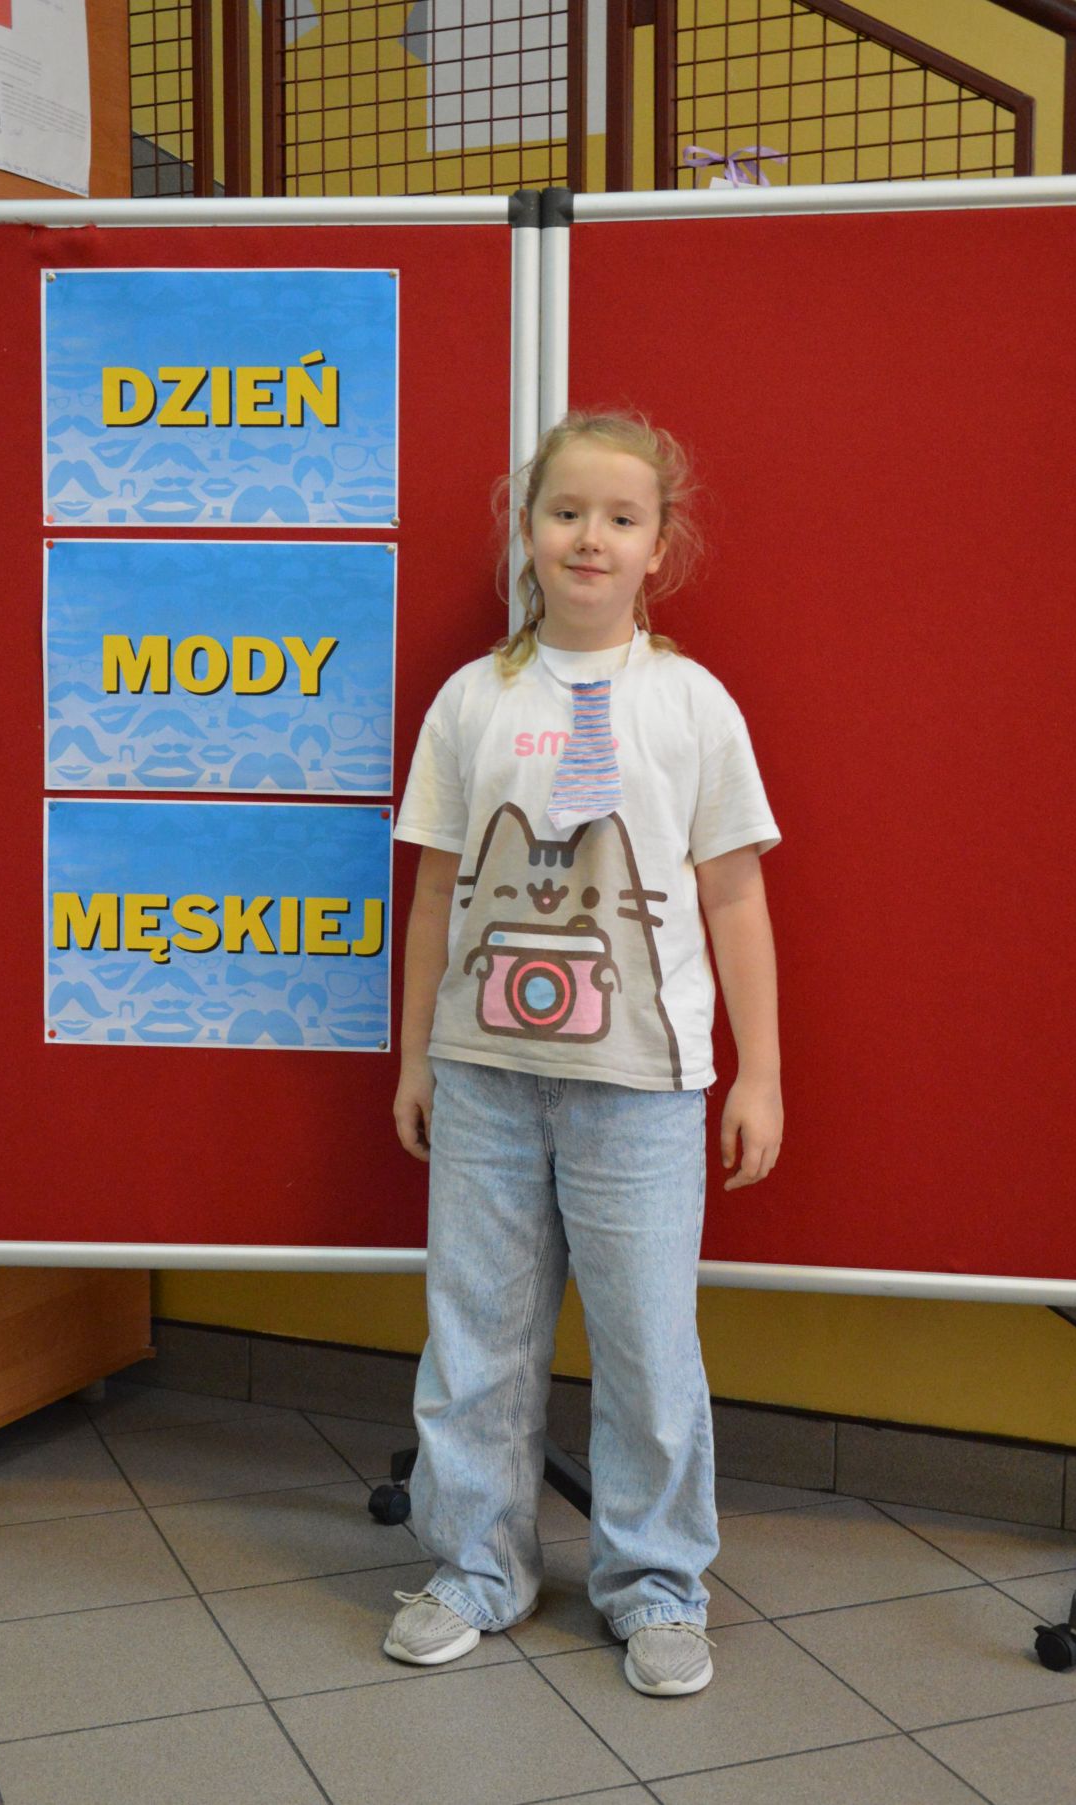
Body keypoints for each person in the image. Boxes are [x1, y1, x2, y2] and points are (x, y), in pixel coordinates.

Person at [384, 409, 782, 1697]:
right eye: (566, 513)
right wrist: (417, 1059)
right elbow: (434, 895)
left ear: (662, 545)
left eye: (621, 517)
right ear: (527, 529)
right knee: (474, 1342)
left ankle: (658, 1583)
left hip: (644, 1089)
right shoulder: (473, 698)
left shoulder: (692, 702)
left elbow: (734, 896)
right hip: (485, 1077)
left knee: (651, 1348)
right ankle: (475, 1568)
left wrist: (761, 1071)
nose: (590, 538)